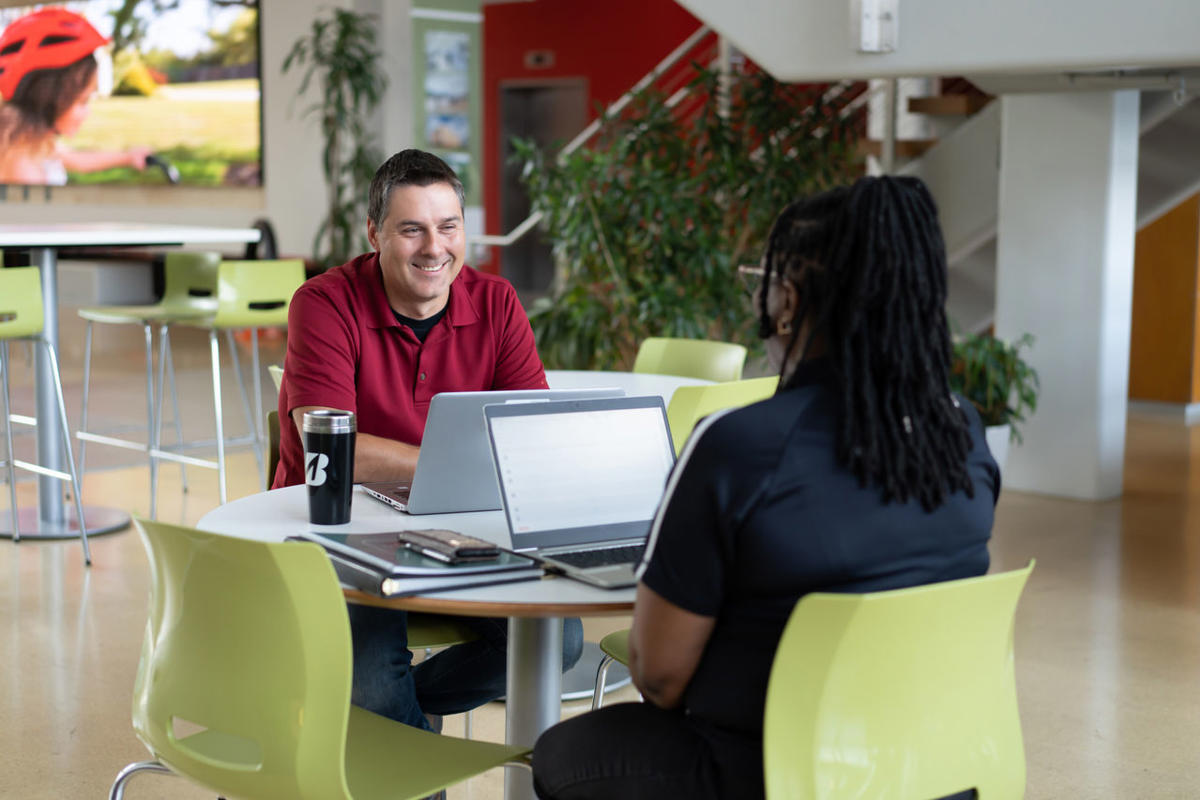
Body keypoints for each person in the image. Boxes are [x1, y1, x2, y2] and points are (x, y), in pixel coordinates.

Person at [531, 175, 1000, 800]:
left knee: (568, 751)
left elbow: (662, 679)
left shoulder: (737, 445)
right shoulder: (963, 430)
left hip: (771, 775)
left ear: (789, 301)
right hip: (928, 768)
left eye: (767, 277)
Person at [276, 148, 583, 732]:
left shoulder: (496, 303)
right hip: (333, 531)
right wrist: (451, 465)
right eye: (411, 229)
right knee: (370, 671)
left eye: (448, 227)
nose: (434, 248)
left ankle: (388, 716)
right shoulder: (322, 303)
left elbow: (531, 440)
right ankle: (386, 718)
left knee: (558, 642)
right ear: (375, 233)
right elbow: (331, 453)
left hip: (453, 526)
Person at [0, 8, 149, 185]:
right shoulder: (24, 171)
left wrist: (128, 157)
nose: (88, 112)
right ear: (49, 98)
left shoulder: (28, 139)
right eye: (82, 101)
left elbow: (74, 159)